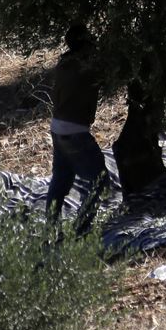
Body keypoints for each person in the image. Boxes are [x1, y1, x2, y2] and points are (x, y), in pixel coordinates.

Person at [45, 24, 108, 235]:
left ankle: (51, 230)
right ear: (85, 46)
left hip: (57, 129)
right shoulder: (85, 66)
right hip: (76, 133)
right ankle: (81, 229)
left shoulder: (64, 63)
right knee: (100, 181)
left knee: (60, 182)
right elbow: (107, 72)